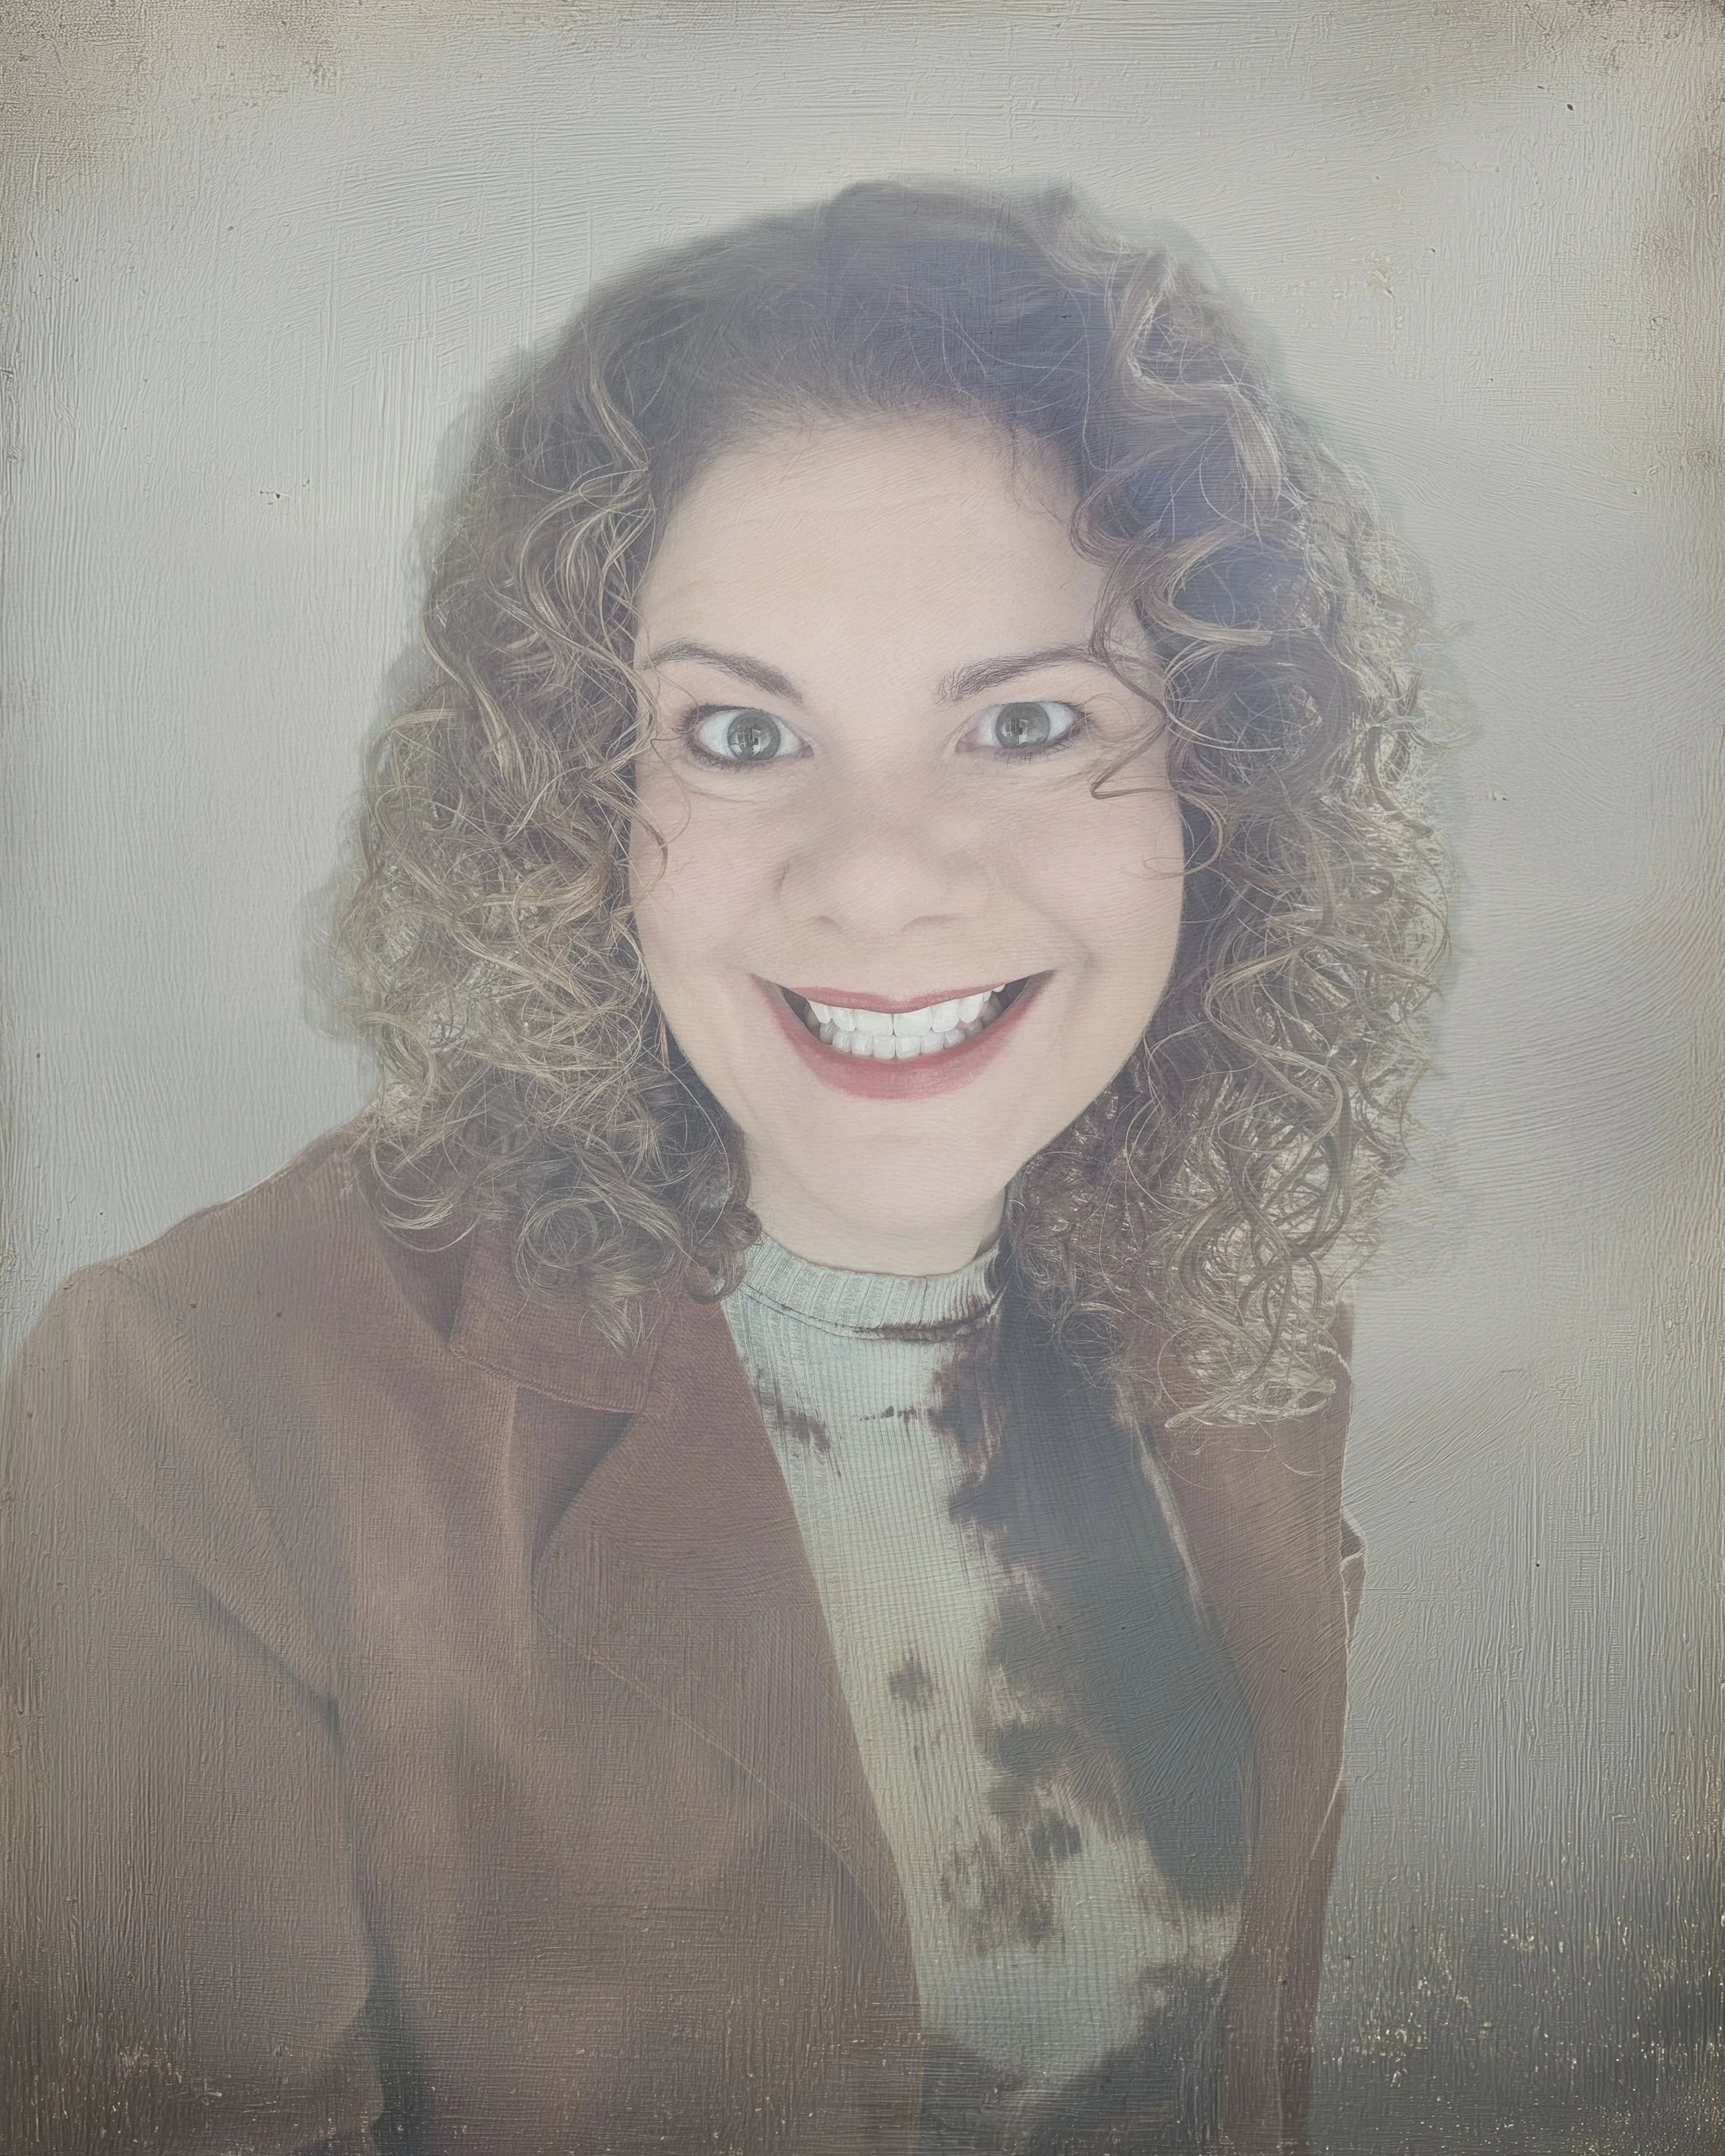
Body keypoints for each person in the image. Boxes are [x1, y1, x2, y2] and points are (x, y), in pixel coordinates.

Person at [1, 180, 1446, 2155]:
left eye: (1026, 719)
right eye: (738, 733)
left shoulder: (1237, 1311)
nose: (874, 873)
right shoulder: (190, 1397)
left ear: (1217, 768)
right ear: (577, 790)